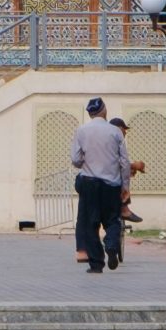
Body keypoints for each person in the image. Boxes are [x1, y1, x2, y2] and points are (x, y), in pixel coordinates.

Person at [69, 97, 130, 273]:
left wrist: (85, 162)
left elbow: (75, 159)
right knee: (112, 220)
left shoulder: (81, 130)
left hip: (89, 183)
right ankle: (111, 244)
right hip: (111, 184)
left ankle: (96, 264)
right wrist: (125, 186)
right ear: (104, 111)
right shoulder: (115, 132)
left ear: (89, 113)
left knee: (90, 224)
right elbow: (125, 162)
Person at [110, 118, 142, 223]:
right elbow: (116, 162)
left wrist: (131, 167)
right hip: (108, 180)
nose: (126, 132)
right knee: (122, 182)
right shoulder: (114, 141)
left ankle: (124, 209)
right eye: (124, 129)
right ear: (119, 128)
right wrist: (133, 165)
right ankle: (124, 209)